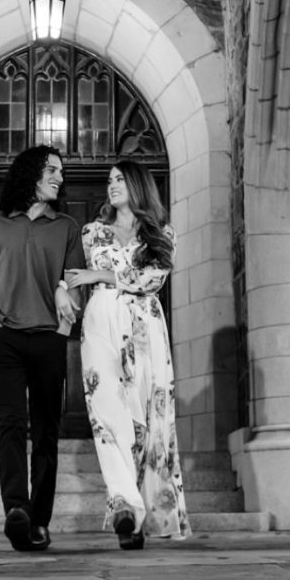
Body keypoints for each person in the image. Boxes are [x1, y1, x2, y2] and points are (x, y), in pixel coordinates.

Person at [65, 159, 191, 550]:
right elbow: (71, 275)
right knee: (107, 414)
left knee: (145, 418)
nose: (112, 185)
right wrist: (66, 292)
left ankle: (140, 516)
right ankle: (124, 506)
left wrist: (101, 275)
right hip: (100, 322)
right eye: (110, 180)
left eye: (120, 179)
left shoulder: (161, 232)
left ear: (137, 185)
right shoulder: (92, 232)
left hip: (144, 328)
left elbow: (154, 278)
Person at [0, 144, 84, 552]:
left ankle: (40, 520)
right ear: (30, 173)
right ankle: (16, 510)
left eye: (61, 172)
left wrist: (63, 332)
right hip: (6, 341)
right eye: (51, 170)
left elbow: (74, 285)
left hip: (50, 339)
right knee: (11, 426)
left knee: (46, 432)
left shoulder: (66, 227)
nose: (59, 178)